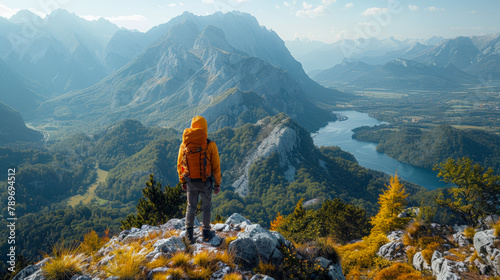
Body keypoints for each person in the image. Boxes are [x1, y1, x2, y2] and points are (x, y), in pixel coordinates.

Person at [177, 116, 221, 243]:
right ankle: (206, 233)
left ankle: (189, 235)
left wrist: (182, 181)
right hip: (205, 182)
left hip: (190, 181)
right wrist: (217, 184)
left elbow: (180, 164)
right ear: (205, 128)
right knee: (206, 207)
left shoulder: (184, 144)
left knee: (191, 206)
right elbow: (216, 166)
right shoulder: (210, 145)